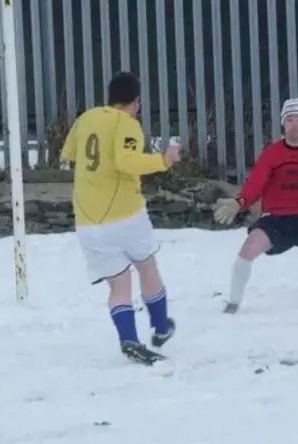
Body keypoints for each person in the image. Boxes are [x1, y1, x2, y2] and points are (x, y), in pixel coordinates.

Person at [61, 72, 182, 365]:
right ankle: (161, 327)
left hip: (88, 219)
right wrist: (163, 161)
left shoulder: (86, 118)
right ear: (136, 102)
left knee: (118, 283)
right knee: (146, 266)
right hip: (125, 213)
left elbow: (68, 155)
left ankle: (129, 340)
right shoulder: (127, 124)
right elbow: (126, 161)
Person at [213, 98, 298, 314]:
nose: (294, 124)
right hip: (276, 219)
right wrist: (237, 203)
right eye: (289, 119)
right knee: (248, 248)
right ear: (283, 124)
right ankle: (233, 302)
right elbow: (254, 186)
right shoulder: (271, 153)